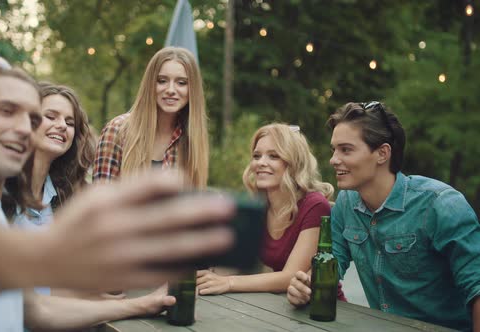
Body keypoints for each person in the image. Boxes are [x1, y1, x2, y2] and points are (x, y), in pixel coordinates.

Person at [0, 56, 236, 331]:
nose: (25, 127)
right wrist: (59, 252)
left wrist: (142, 304)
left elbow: (36, 310)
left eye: (31, 117)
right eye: (7, 110)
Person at [287, 102, 480, 331]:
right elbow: (331, 263)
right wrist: (305, 286)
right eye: (334, 150)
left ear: (382, 153)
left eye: (346, 149)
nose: (333, 159)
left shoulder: (441, 205)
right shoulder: (345, 205)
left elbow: (476, 288)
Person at [7, 82, 178, 329]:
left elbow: (46, 290)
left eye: (69, 122)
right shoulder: (1, 191)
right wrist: (141, 304)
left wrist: (97, 298)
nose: (61, 126)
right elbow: (32, 307)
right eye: (50, 116)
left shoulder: (57, 197)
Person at [197, 123, 344, 299]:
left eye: (273, 156)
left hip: (322, 305)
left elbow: (290, 275)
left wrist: (228, 282)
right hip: (281, 306)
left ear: (293, 163)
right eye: (256, 156)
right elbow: (232, 262)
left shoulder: (315, 205)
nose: (261, 163)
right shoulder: (259, 206)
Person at [93, 46, 208, 188]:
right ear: (150, 85)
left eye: (181, 83)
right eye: (162, 81)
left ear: (192, 90)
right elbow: (102, 200)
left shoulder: (192, 140)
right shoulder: (117, 131)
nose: (171, 90)